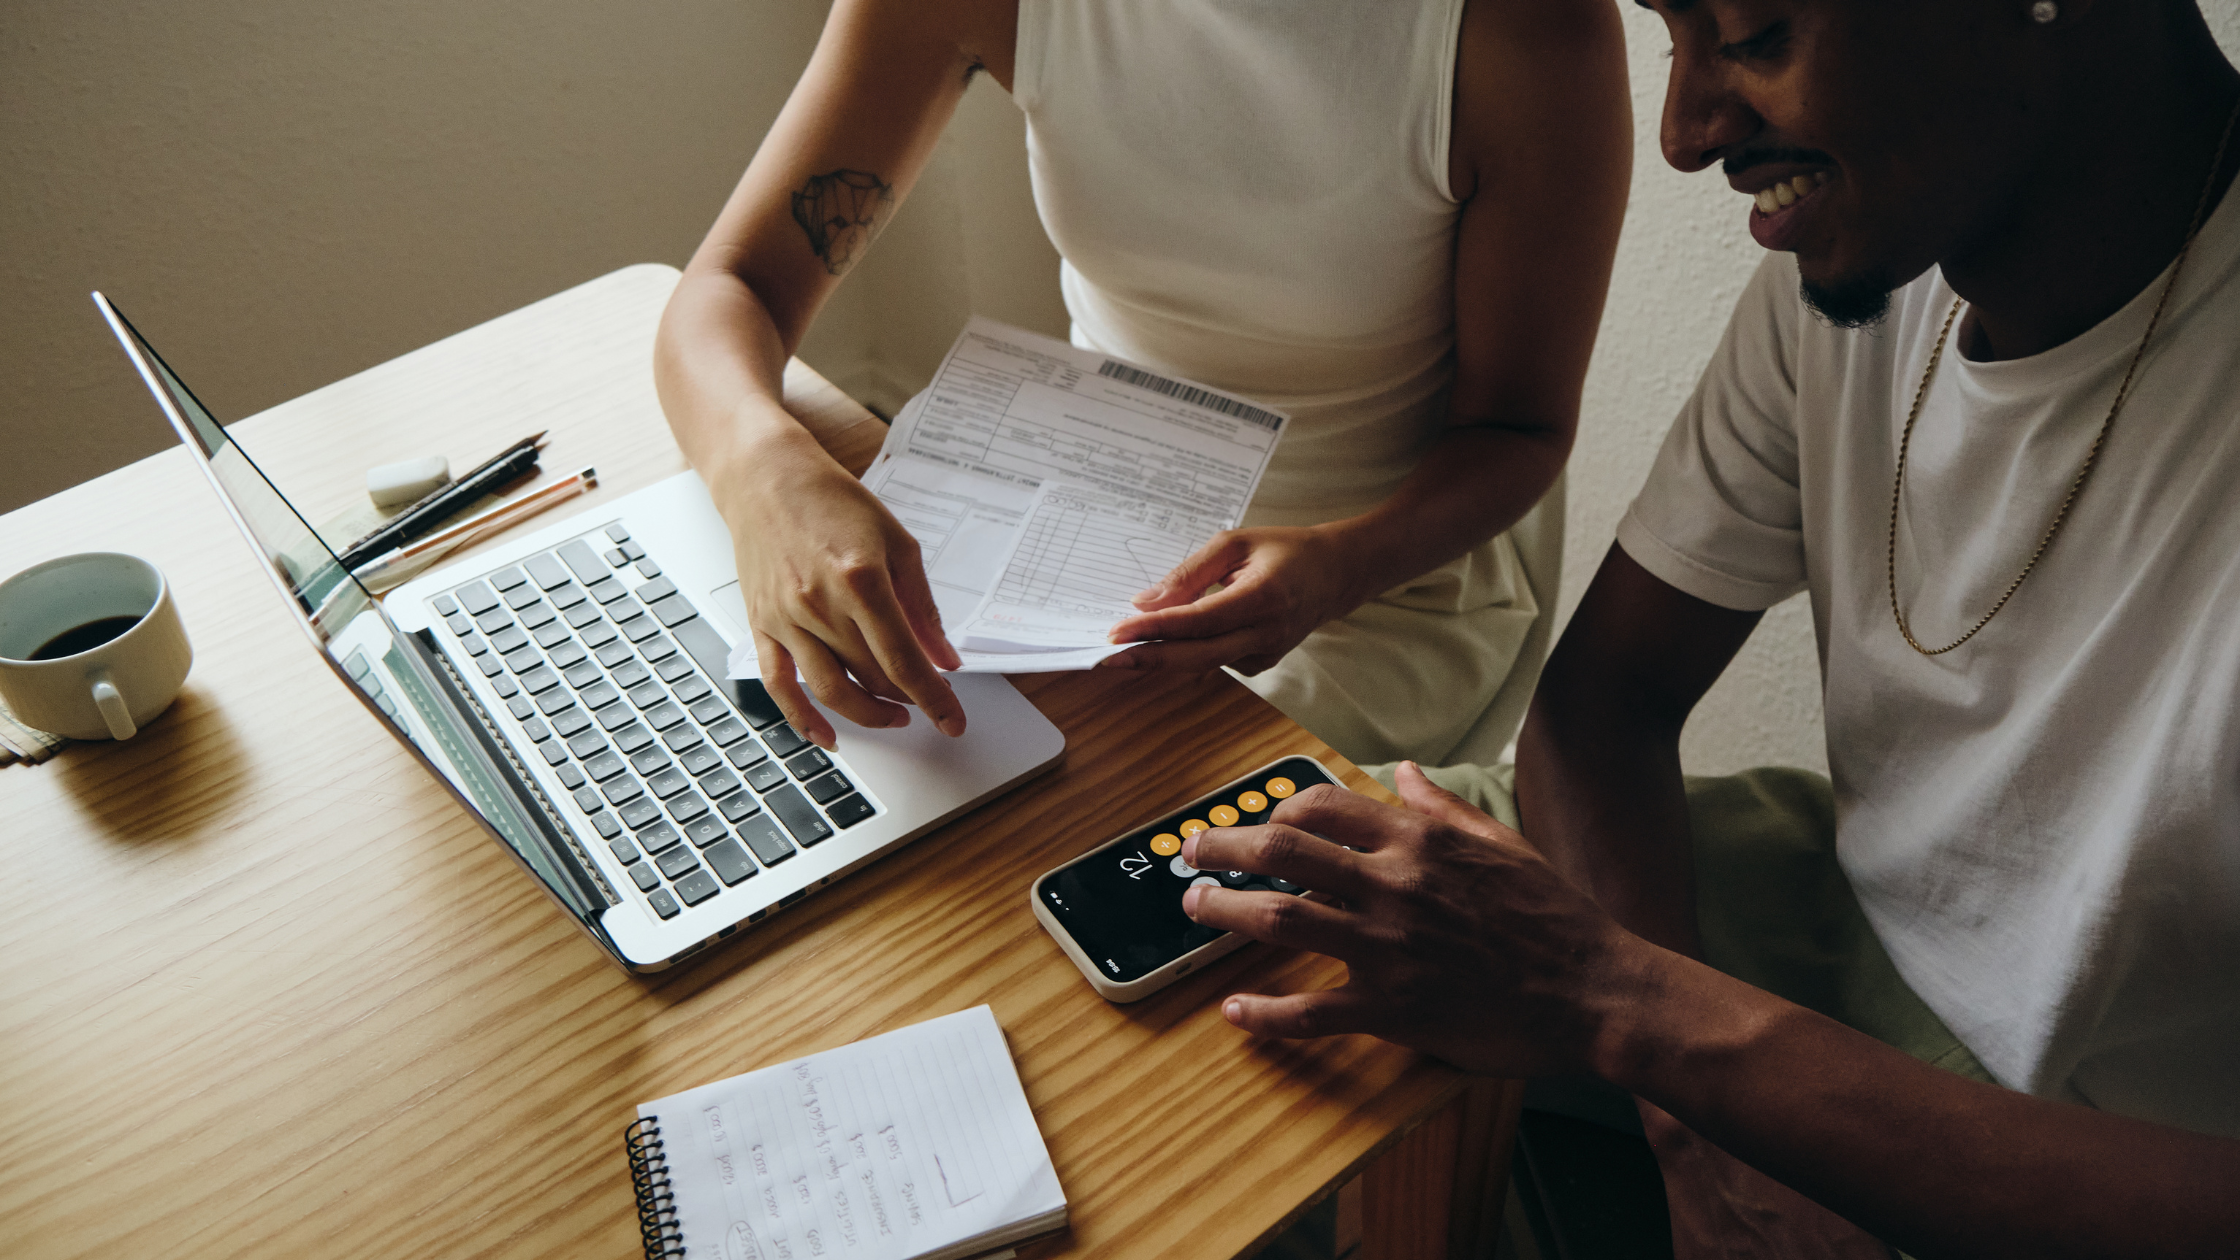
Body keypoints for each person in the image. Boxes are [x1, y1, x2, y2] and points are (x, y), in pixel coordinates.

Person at [1178, 0, 2240, 1255]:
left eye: (1755, 31)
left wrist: (1628, 1008)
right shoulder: (1862, 277)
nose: (1683, 132)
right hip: (1833, 934)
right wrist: (1697, 1125)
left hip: (2125, 1148)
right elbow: (1600, 708)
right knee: (1255, 921)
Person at [652, 0, 1628, 765]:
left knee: (1077, 842)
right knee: (815, 766)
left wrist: (1340, 564)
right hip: (1069, 522)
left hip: (1371, 587)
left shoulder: (1523, 31)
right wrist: (766, 474)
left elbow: (1519, 428)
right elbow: (730, 287)